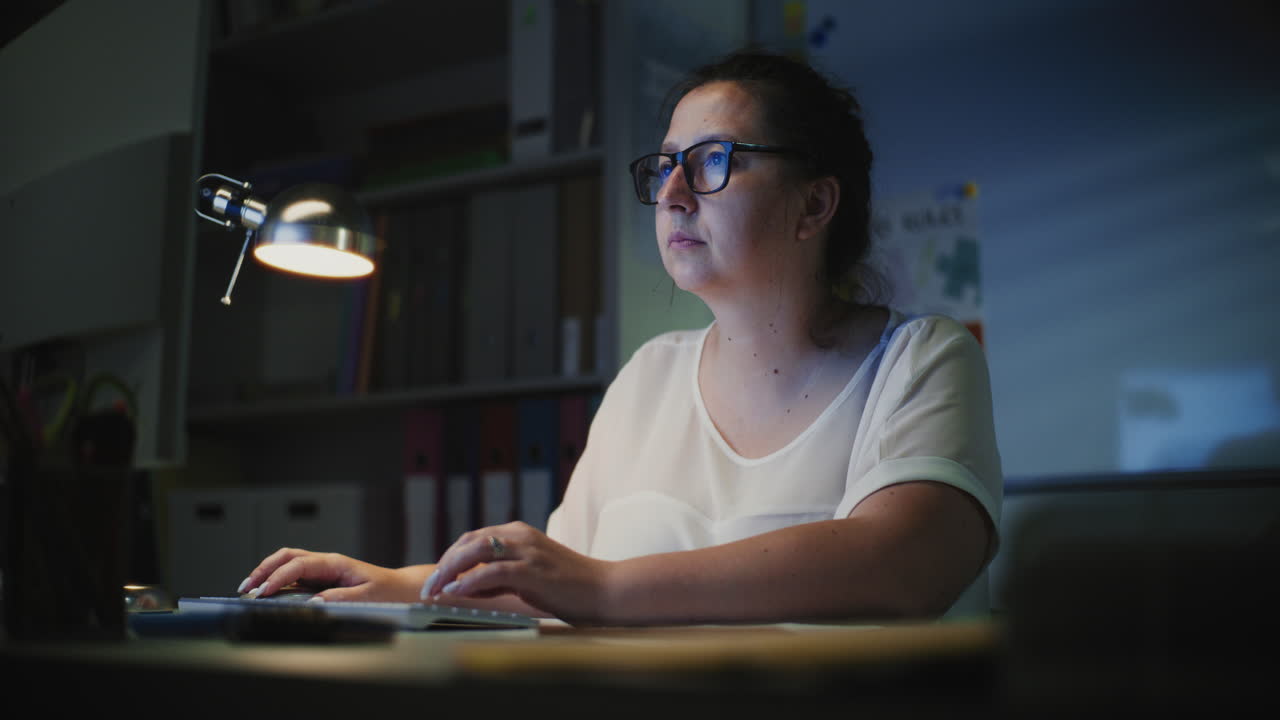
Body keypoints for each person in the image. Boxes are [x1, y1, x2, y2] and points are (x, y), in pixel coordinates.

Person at [239, 49, 1002, 625]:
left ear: (814, 204)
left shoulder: (921, 359)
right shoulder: (650, 376)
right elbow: (555, 579)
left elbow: (902, 565)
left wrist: (600, 588)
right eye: (665, 166)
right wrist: (384, 583)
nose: (671, 194)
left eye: (710, 162)